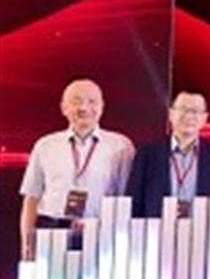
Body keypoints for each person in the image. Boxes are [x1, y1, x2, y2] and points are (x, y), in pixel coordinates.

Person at [18, 79, 135, 259]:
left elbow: (125, 199)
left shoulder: (121, 146)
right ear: (63, 108)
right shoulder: (45, 145)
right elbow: (31, 198)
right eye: (76, 101)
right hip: (52, 231)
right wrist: (27, 242)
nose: (84, 108)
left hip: (100, 233)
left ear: (102, 107)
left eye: (92, 101)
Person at [126, 88, 210, 218]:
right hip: (157, 228)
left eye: (195, 111)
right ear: (171, 114)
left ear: (205, 118)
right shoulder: (147, 155)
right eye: (183, 109)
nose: (189, 116)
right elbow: (134, 203)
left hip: (201, 227)